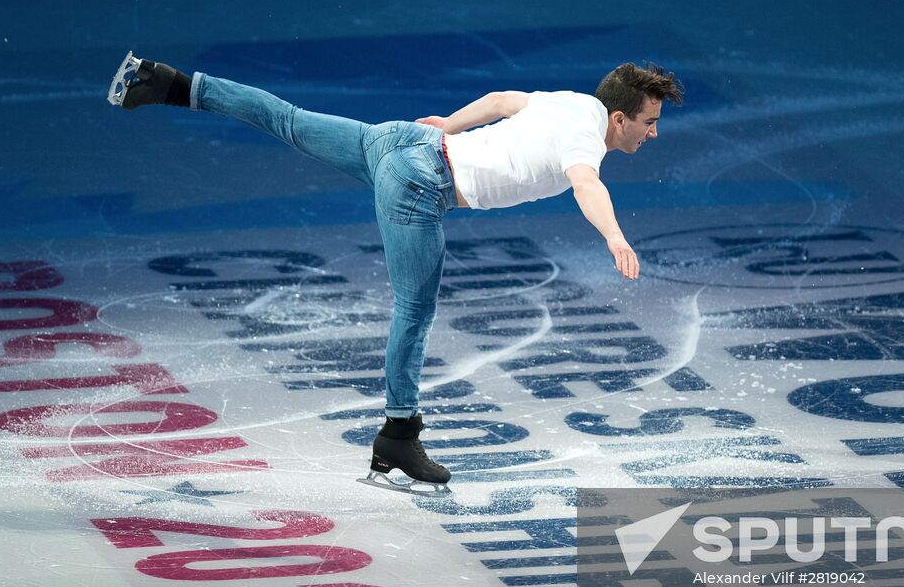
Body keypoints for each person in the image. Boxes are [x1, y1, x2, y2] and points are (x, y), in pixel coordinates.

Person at [107, 52, 683, 495]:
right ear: (619, 117)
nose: (653, 133)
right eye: (650, 122)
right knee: (415, 311)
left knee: (288, 119)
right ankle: (398, 436)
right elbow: (587, 184)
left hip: (404, 140)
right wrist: (613, 235)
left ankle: (168, 82)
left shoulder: (573, 102)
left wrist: (451, 127)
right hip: (418, 183)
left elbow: (503, 99)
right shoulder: (587, 138)